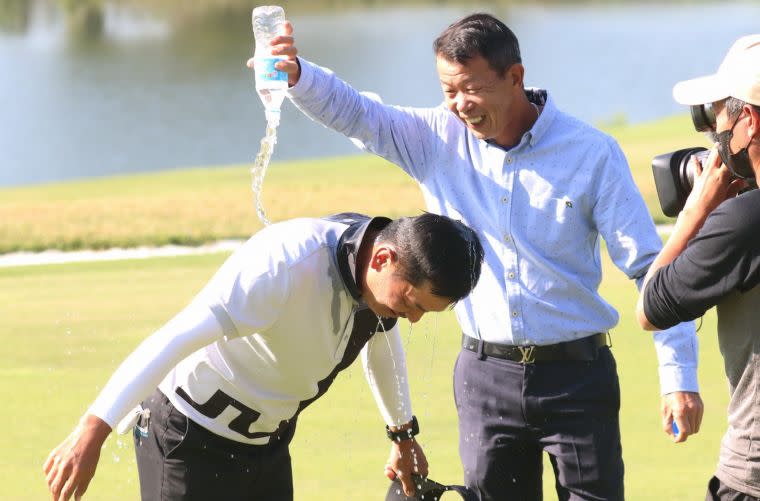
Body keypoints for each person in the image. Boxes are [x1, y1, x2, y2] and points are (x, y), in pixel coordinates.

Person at [250, 12, 705, 500]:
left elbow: (651, 273)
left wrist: (677, 375)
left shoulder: (591, 153)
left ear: (515, 77)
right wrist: (298, 76)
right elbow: (359, 113)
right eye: (448, 91)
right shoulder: (434, 139)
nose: (460, 105)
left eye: (471, 88)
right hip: (485, 381)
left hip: (578, 379)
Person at [43, 212, 485, 501]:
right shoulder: (283, 266)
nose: (412, 319)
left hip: (268, 448)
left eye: (425, 311)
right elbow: (172, 339)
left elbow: (383, 344)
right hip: (186, 442)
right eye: (411, 304)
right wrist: (92, 431)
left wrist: (402, 434)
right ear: (383, 258)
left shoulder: (381, 283)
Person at [637, 35, 760, 500]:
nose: (713, 133)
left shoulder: (746, 219)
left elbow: (651, 307)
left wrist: (699, 206)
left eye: (717, 117)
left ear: (747, 120)